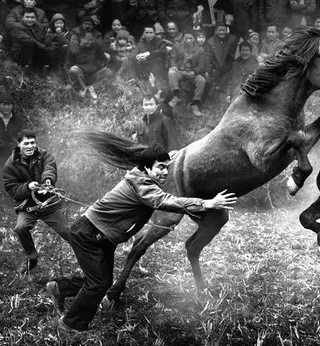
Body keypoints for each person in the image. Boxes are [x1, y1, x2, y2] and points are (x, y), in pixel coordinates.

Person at [45, 135, 236, 333]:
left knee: (101, 281)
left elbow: (160, 165)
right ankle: (70, 325)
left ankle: (59, 288)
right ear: (147, 167)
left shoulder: (142, 174)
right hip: (90, 234)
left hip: (103, 237)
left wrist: (168, 158)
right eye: (160, 168)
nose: (165, 172)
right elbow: (166, 201)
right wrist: (206, 204)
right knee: (99, 283)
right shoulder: (143, 186)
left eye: (166, 167)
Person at [3, 130, 69, 274]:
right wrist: (28, 187)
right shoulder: (10, 165)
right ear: (18, 144)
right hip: (27, 207)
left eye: (32, 142)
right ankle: (31, 258)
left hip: (48, 204)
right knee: (21, 228)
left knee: (68, 232)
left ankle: (86, 255)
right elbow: (12, 188)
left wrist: (47, 182)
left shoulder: (44, 155)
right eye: (26, 143)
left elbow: (49, 168)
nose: (30, 146)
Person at [0, 92, 24, 164]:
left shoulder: (17, 119)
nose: (6, 107)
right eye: (4, 105)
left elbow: (22, 135)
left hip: (12, 152)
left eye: (8, 105)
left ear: (12, 106)